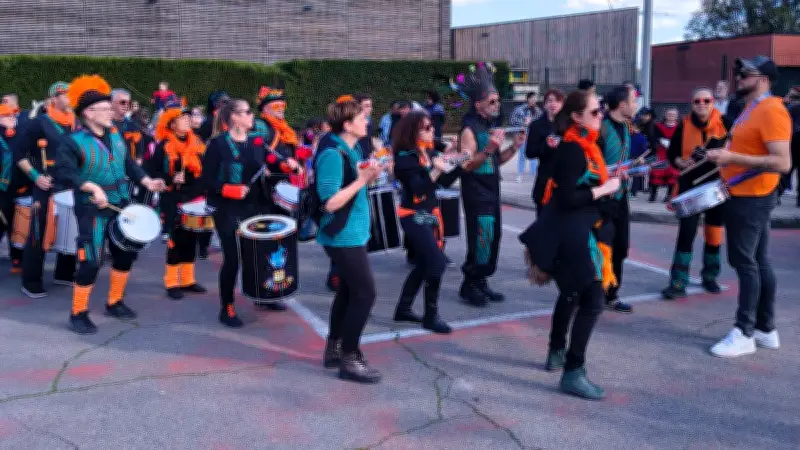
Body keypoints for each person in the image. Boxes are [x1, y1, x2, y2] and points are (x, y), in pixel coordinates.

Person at [520, 89, 621, 400]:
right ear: (577, 117)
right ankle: (573, 372)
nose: (601, 116)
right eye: (595, 112)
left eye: (601, 110)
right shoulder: (573, 149)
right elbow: (565, 197)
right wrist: (604, 189)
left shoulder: (587, 146)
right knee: (592, 300)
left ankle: (557, 352)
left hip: (578, 230)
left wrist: (607, 184)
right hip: (569, 235)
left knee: (573, 293)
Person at [55, 74, 166, 334]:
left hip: (121, 203)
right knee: (91, 261)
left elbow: (127, 163)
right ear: (89, 113)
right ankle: (78, 312)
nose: (111, 111)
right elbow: (64, 173)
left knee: (125, 254)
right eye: (105, 108)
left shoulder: (115, 134)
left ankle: (114, 302)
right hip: (92, 209)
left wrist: (147, 181)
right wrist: (91, 187)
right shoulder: (72, 141)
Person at [706, 56, 792, 358]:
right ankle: (765, 329)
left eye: (745, 74)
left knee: (745, 263)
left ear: (763, 80)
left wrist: (731, 159)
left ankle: (744, 332)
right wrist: (722, 154)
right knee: (758, 261)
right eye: (738, 73)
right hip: (746, 192)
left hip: (753, 196)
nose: (739, 77)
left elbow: (783, 162)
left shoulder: (771, 110)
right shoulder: (751, 108)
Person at [201, 98, 295, 327]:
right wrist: (226, 189)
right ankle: (227, 307)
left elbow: (272, 160)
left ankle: (261, 296)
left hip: (255, 206)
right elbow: (205, 180)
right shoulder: (217, 145)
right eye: (247, 112)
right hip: (226, 208)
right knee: (233, 258)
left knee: (257, 253)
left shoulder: (256, 141)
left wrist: (287, 165)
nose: (252, 116)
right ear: (234, 117)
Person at [316, 97, 383, 383]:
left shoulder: (352, 148)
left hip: (354, 232)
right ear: (347, 124)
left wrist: (372, 176)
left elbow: (357, 188)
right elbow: (330, 202)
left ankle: (334, 349)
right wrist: (361, 180)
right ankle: (350, 358)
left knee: (347, 291)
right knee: (365, 294)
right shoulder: (333, 154)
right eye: (361, 117)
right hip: (342, 235)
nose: (367, 120)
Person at [452, 62, 520, 307]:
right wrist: (490, 148)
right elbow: (466, 165)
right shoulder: (469, 130)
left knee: (493, 237)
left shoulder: (490, 126)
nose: (497, 105)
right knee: (481, 236)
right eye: (491, 101)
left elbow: (495, 161)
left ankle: (481, 281)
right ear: (478, 104)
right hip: (476, 193)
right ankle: (469, 284)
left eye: (498, 101)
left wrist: (514, 147)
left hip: (491, 191)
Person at [391, 111, 461, 334]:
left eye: (431, 126)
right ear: (413, 131)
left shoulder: (428, 152)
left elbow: (445, 180)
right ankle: (431, 316)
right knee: (437, 263)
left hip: (430, 213)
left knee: (424, 263)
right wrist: (437, 167)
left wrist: (458, 160)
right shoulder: (405, 158)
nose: (432, 130)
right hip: (413, 214)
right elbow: (418, 188)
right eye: (426, 127)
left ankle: (403, 309)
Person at [662, 88, 731, 299]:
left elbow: (737, 150)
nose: (702, 104)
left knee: (714, 233)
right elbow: (672, 154)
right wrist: (681, 162)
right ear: (692, 103)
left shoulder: (726, 123)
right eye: (697, 101)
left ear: (713, 102)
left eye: (706, 100)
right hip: (690, 185)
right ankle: (678, 282)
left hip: (717, 184)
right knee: (686, 232)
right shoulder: (683, 125)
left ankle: (710, 276)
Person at [13, 82, 78, 297]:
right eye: (65, 94)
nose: (69, 97)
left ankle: (64, 273)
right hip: (46, 184)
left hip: (69, 183)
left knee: (70, 228)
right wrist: (35, 176)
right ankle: (31, 280)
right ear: (53, 99)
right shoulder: (39, 123)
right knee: (38, 232)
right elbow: (19, 153)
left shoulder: (76, 122)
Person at [146, 107, 208, 299]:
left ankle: (187, 279)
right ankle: (172, 282)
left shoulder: (198, 142)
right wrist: (171, 178)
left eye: (189, 117)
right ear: (172, 124)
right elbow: (151, 171)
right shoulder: (163, 146)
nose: (188, 120)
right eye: (183, 118)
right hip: (174, 197)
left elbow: (206, 167)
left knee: (192, 238)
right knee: (176, 239)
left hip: (195, 196)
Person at [596, 85, 637, 313]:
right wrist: (608, 175)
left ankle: (611, 293)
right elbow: (590, 164)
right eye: (633, 101)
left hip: (621, 197)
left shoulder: (627, 126)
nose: (635, 105)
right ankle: (593, 293)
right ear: (622, 105)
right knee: (602, 247)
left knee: (620, 247)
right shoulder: (601, 128)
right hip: (602, 198)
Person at [0, 103, 30, 273]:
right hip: (2, 190)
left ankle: (17, 259)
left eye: (14, 115)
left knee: (18, 226)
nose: (12, 118)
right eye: (7, 115)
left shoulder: (22, 135)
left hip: (22, 188)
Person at [526, 88, 565, 211]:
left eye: (557, 101)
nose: (553, 104)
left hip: (565, 180)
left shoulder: (569, 125)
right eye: (549, 101)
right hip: (545, 179)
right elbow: (530, 152)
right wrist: (546, 145)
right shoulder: (536, 125)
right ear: (544, 104)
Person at [649, 108, 680, 202]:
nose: (671, 116)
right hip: (661, 152)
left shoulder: (680, 126)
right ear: (665, 115)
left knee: (672, 173)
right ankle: (653, 194)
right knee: (656, 172)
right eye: (669, 114)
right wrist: (661, 141)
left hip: (673, 153)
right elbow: (654, 137)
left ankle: (669, 195)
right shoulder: (658, 126)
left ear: (676, 116)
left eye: (673, 114)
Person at [510, 92, 543, 183]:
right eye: (532, 98)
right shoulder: (519, 109)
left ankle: (535, 175)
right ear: (528, 98)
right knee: (522, 155)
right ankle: (520, 174)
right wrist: (523, 123)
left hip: (534, 135)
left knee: (534, 155)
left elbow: (541, 123)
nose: (534, 100)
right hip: (522, 134)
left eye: (535, 98)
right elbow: (512, 120)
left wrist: (532, 123)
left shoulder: (538, 111)